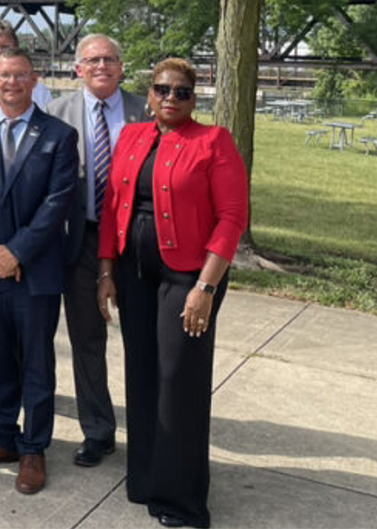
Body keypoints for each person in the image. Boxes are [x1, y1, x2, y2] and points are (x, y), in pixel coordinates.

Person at [97, 57, 248, 529]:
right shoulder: (132, 137)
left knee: (177, 381)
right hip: (133, 270)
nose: (171, 98)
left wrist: (207, 285)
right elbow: (110, 206)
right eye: (163, 89)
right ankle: (144, 478)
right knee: (140, 373)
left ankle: (182, 499)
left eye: (182, 92)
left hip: (188, 276)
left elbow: (232, 218)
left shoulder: (214, 142)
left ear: (194, 98)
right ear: (149, 94)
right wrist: (105, 271)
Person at [0, 45, 78, 496]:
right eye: (4, 76)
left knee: (38, 364)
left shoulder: (59, 136)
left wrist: (17, 252)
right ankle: (2, 435)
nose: (12, 83)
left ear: (35, 80)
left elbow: (56, 201)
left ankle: (33, 447)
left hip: (35, 270)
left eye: (21, 75)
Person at [46, 34, 147, 468]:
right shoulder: (56, 113)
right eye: (92, 60)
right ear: (78, 69)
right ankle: (98, 430)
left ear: (122, 67)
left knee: (145, 341)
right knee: (88, 339)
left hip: (137, 242)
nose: (101, 65)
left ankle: (149, 431)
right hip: (81, 241)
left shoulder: (147, 110)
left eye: (109, 59)